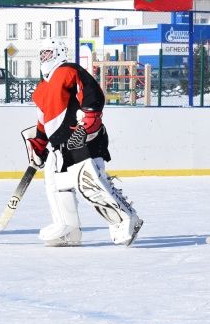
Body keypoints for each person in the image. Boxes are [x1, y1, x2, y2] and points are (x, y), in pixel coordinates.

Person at [24, 38, 143, 247]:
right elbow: (43, 121)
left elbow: (91, 93)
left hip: (82, 139)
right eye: (41, 54)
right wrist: (39, 145)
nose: (44, 57)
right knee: (55, 184)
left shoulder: (69, 70)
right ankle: (67, 229)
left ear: (59, 52)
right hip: (59, 146)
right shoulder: (41, 88)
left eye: (48, 53)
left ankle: (125, 219)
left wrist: (90, 119)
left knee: (89, 183)